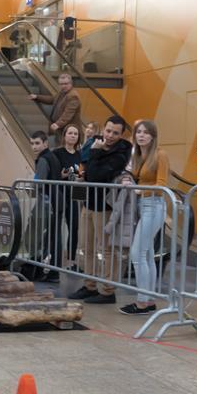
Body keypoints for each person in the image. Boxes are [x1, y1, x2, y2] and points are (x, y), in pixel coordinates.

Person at [68, 115, 131, 304]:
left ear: (121, 135)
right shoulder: (94, 143)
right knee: (86, 247)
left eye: (115, 133)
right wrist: (93, 152)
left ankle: (108, 290)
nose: (110, 135)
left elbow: (96, 176)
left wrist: (95, 154)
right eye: (108, 131)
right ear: (103, 129)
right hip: (89, 202)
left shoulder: (121, 153)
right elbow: (83, 165)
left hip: (106, 207)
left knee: (107, 249)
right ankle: (89, 285)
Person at [118, 120, 170, 315]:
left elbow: (162, 185)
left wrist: (139, 190)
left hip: (154, 206)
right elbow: (134, 176)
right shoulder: (140, 155)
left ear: (153, 136)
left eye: (146, 133)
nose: (141, 135)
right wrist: (128, 179)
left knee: (137, 253)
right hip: (145, 207)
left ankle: (142, 301)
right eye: (138, 132)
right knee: (146, 253)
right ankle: (147, 300)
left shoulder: (160, 154)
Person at [29, 131, 64, 281]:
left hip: (50, 202)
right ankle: (53, 270)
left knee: (51, 237)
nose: (34, 147)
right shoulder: (52, 157)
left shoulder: (43, 159)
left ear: (45, 143)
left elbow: (39, 183)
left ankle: (53, 271)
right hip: (57, 199)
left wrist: (31, 190)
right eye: (32, 143)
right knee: (54, 236)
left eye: (37, 143)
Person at [54, 123, 83, 270]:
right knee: (56, 227)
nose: (72, 136)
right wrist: (61, 175)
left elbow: (81, 172)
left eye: (75, 134)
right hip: (59, 193)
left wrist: (81, 177)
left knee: (74, 227)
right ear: (64, 135)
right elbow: (52, 174)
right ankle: (53, 258)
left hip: (74, 194)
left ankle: (71, 260)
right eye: (70, 133)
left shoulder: (79, 155)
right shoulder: (57, 153)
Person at [29, 73, 82, 146]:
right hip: (60, 130)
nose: (63, 86)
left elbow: (68, 113)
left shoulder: (73, 96)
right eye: (61, 84)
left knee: (64, 149)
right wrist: (37, 97)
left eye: (66, 84)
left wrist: (58, 124)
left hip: (68, 130)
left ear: (71, 84)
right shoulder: (62, 93)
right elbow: (52, 99)